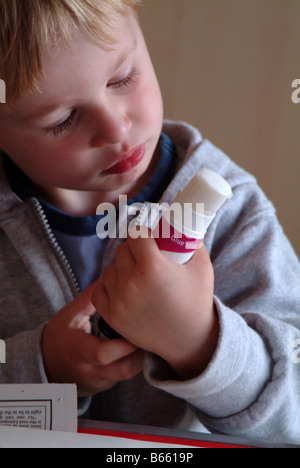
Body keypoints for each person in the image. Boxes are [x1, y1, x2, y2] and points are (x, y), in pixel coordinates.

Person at [0, 0, 299, 443]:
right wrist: (41, 368)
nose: (116, 129)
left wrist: (199, 343)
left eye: (122, 77)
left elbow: (292, 414)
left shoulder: (235, 215)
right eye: (62, 120)